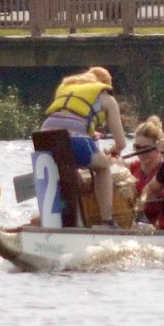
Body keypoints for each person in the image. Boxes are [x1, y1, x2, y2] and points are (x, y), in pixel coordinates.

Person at [39, 66, 127, 227]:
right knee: (103, 167)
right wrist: (112, 151)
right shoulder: (107, 98)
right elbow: (121, 143)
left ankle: (60, 221)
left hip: (45, 136)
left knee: (67, 169)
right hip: (73, 138)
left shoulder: (68, 87)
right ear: (105, 85)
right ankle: (106, 221)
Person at [126, 116, 164, 193]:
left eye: (146, 148)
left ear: (159, 147)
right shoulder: (132, 167)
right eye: (137, 147)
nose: (141, 152)